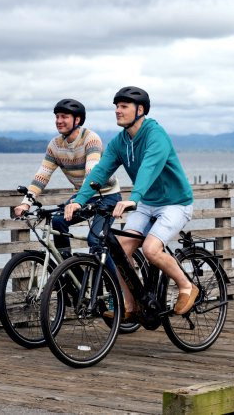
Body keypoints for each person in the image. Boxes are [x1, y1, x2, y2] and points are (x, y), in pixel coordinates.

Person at [64, 86, 197, 316]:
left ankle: (187, 285)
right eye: (116, 106)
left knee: (151, 249)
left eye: (124, 106)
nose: (118, 110)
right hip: (147, 203)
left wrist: (133, 198)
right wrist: (79, 200)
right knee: (120, 252)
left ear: (140, 110)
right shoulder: (119, 142)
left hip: (175, 203)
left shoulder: (156, 135)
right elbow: (99, 171)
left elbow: (149, 167)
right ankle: (130, 304)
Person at [13, 98, 121, 255]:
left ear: (77, 120)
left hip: (107, 196)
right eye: (57, 117)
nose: (59, 121)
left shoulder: (90, 139)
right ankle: (70, 271)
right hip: (83, 196)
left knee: (96, 241)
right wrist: (26, 204)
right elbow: (41, 176)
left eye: (64, 117)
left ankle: (112, 280)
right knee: (57, 221)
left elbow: (91, 173)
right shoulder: (55, 145)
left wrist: (78, 202)